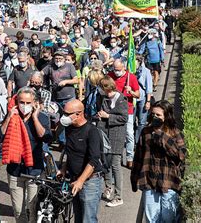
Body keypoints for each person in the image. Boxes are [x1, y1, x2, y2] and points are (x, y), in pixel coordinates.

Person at [0, 87, 52, 223]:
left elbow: (46, 137)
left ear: (35, 103)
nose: (24, 106)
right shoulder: (12, 117)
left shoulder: (42, 117)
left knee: (33, 209)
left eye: (28, 103)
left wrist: (35, 118)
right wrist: (9, 117)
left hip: (34, 170)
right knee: (18, 210)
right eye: (22, 102)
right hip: (15, 170)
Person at [131, 100, 186, 223]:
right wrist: (134, 178)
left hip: (169, 181)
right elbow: (138, 158)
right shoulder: (145, 132)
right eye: (153, 114)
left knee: (169, 218)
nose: (155, 117)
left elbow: (180, 155)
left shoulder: (175, 133)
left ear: (167, 116)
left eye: (158, 115)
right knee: (151, 219)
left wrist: (161, 135)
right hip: (149, 180)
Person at [58, 99, 103, 223]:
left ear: (78, 114)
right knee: (78, 218)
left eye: (67, 114)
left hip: (90, 182)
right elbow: (70, 153)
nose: (64, 117)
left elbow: (93, 160)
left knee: (88, 219)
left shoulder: (91, 131)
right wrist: (63, 169)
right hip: (74, 179)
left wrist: (80, 181)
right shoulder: (69, 128)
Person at [96, 76, 128, 207]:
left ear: (107, 87)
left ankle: (119, 196)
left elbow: (124, 118)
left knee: (115, 165)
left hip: (117, 136)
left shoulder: (121, 99)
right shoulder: (103, 98)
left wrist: (108, 116)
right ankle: (108, 187)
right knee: (106, 163)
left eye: (101, 87)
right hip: (105, 134)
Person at [108, 58, 140, 168]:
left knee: (129, 134)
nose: (116, 71)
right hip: (113, 110)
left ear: (124, 68)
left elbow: (138, 94)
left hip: (128, 110)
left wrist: (130, 91)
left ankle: (130, 157)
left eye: (118, 69)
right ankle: (117, 157)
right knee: (116, 135)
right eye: (114, 69)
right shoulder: (110, 76)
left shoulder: (131, 77)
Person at [135, 55, 153, 143]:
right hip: (132, 99)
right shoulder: (130, 72)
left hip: (142, 99)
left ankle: (138, 140)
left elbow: (149, 88)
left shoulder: (146, 72)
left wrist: (148, 101)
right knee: (131, 120)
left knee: (142, 121)